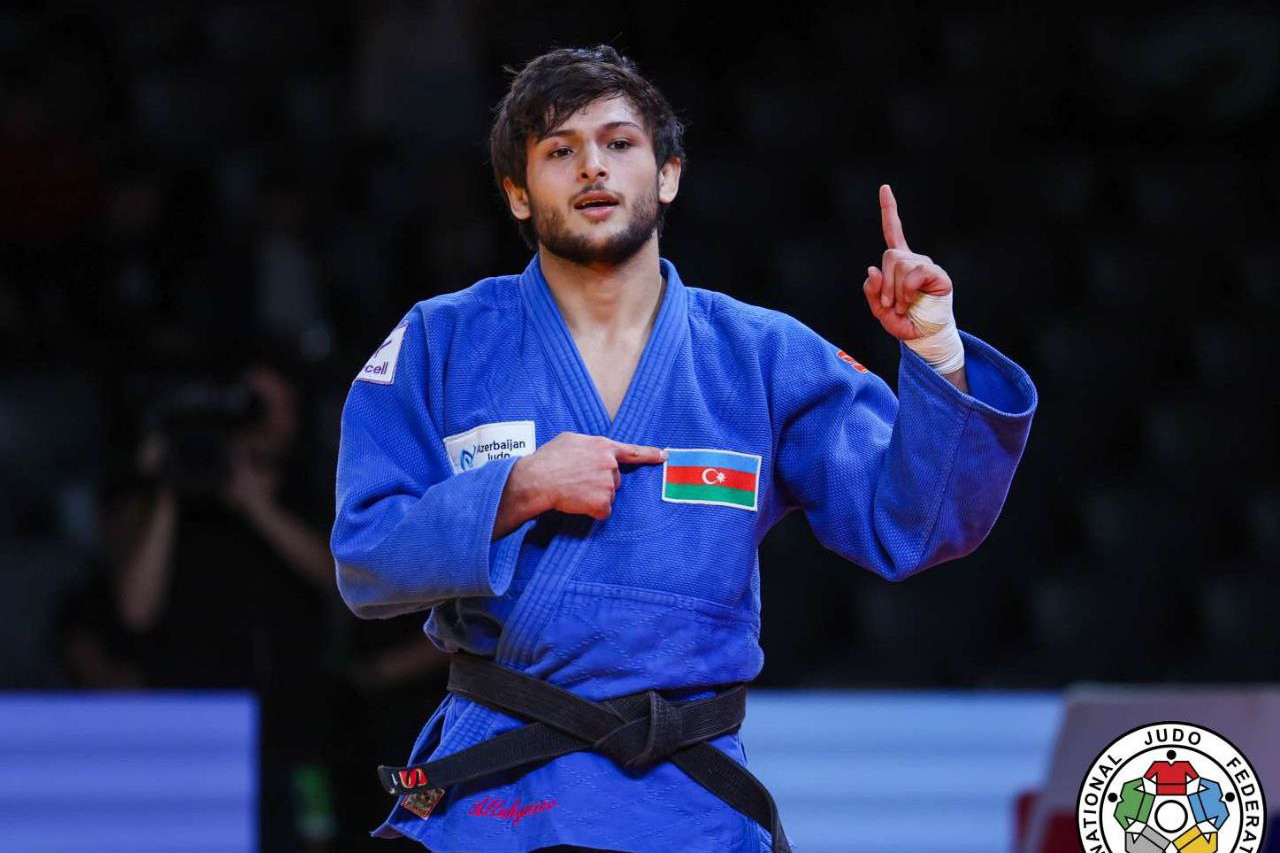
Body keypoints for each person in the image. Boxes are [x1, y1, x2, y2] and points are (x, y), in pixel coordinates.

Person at [331, 45, 1037, 853]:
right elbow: (367, 559)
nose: (593, 166)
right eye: (559, 151)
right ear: (518, 192)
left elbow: (915, 523)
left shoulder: (761, 356)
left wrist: (937, 350)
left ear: (667, 174)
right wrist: (518, 488)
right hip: (499, 797)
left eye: (619, 142)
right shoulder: (441, 341)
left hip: (686, 804)